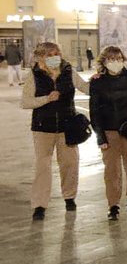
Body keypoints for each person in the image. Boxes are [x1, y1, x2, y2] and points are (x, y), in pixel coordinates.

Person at [21, 41, 90, 220]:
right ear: (41, 57)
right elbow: (26, 102)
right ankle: (39, 205)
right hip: (43, 127)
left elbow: (85, 87)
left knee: (70, 164)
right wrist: (46, 99)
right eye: (49, 55)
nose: (54, 58)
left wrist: (100, 81)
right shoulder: (34, 76)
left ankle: (69, 197)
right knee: (42, 167)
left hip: (67, 126)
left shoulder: (68, 71)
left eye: (56, 53)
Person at [88, 46, 127, 221]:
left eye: (118, 58)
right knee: (111, 171)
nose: (114, 62)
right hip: (109, 131)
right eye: (110, 59)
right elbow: (94, 111)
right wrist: (100, 135)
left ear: (123, 60)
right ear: (104, 62)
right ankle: (113, 205)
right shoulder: (97, 81)